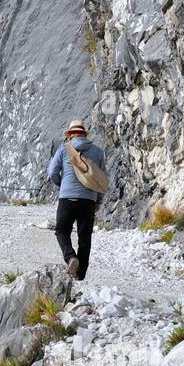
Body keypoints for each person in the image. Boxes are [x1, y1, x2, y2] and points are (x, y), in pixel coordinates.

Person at [46, 120, 106, 280]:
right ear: (85, 134)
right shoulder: (98, 152)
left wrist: (62, 186)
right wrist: (98, 200)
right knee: (85, 239)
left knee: (61, 230)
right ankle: (80, 277)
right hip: (88, 201)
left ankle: (71, 257)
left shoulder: (64, 149)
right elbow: (102, 179)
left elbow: (52, 172)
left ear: (70, 134)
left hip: (67, 198)